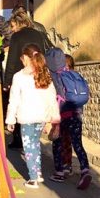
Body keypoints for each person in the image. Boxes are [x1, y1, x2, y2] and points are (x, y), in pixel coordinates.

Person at [5, 44, 60, 189]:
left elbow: (14, 99)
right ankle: (38, 173)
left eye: (22, 57)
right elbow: (51, 97)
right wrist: (52, 118)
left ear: (26, 58)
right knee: (35, 144)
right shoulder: (44, 73)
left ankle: (33, 178)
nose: (21, 60)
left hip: (27, 116)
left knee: (29, 147)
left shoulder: (19, 76)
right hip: (41, 116)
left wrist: (10, 119)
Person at [46, 49, 92, 190]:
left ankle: (60, 172)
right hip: (76, 115)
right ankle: (84, 169)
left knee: (58, 143)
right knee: (77, 144)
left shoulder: (57, 77)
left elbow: (55, 98)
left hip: (62, 116)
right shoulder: (76, 75)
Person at [3, 11, 49, 149]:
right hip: (38, 73)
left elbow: (11, 60)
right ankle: (33, 136)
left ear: (17, 23)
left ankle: (19, 138)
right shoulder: (38, 34)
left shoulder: (16, 36)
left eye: (12, 26)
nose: (12, 29)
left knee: (19, 106)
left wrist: (7, 81)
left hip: (21, 74)